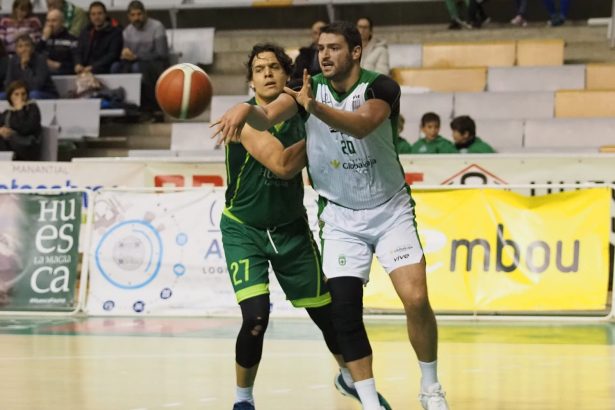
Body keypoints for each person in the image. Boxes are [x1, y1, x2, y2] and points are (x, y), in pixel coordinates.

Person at [213, 21, 449, 410]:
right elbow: (275, 137)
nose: (324, 54)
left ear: (356, 51)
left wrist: (314, 112)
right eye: (320, 48)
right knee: (324, 312)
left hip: (380, 212)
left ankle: (428, 387)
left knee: (414, 298)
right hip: (301, 223)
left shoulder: (379, 88)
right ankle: (359, 401)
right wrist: (243, 107)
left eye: (334, 48)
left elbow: (357, 126)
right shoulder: (287, 103)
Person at [223, 42, 376, 410]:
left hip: (291, 230)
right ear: (251, 81)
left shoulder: (301, 113)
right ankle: (243, 399)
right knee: (256, 318)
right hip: (245, 230)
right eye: (259, 69)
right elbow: (283, 165)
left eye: (274, 67)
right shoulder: (245, 120)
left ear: (287, 74)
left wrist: (323, 119)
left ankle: (348, 377)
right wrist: (327, 131)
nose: (268, 73)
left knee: (330, 316)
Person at [111, 1, 168, 115]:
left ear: (145, 14)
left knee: (137, 67)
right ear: (128, 17)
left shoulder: (157, 26)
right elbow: (126, 53)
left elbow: (161, 53)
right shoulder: (127, 31)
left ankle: (149, 107)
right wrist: (125, 55)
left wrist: (136, 56)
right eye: (133, 15)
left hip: (155, 63)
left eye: (139, 14)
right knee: (115, 67)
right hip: (134, 62)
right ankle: (125, 107)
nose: (136, 18)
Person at [74, 1, 123, 74]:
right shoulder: (85, 32)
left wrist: (93, 67)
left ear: (105, 14)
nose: (96, 17)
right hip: (85, 69)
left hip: (104, 68)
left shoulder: (115, 32)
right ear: (90, 16)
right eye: (93, 14)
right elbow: (78, 51)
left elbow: (112, 55)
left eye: (99, 13)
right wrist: (78, 64)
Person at [4, 34, 58, 99]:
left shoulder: (40, 60)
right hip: (21, 93)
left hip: (45, 93)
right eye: (20, 46)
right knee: (2, 96)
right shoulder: (13, 61)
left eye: (27, 45)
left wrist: (25, 66)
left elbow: (36, 86)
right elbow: (8, 84)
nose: (24, 49)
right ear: (16, 50)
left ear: (32, 48)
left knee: (33, 94)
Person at [0, 80, 42, 161]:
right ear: (10, 96)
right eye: (16, 94)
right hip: (10, 146)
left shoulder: (32, 108)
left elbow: (25, 129)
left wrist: (20, 110)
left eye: (23, 94)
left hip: (27, 147)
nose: (20, 97)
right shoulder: (8, 112)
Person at [37, 8, 78, 75]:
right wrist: (43, 39)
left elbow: (76, 65)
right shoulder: (42, 40)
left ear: (62, 22)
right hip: (44, 77)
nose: (50, 24)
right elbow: (34, 56)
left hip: (64, 77)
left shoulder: (72, 40)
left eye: (54, 21)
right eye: (48, 21)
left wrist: (57, 65)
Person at [290, 20, 326, 86]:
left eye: (321, 33)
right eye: (315, 33)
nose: (318, 36)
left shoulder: (332, 54)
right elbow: (295, 76)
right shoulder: (303, 55)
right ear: (312, 35)